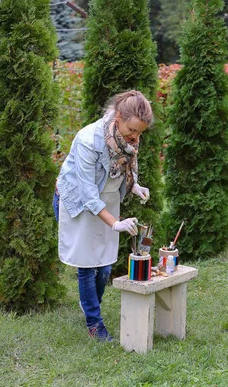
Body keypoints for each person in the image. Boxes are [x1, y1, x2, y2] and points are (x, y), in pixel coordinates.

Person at [53, 90, 153, 341]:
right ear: (118, 117)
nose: (135, 137)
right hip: (77, 202)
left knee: (106, 263)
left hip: (105, 202)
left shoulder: (126, 138)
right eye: (132, 130)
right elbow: (87, 193)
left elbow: (124, 170)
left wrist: (135, 185)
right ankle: (94, 322)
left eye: (140, 132)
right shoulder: (88, 140)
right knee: (88, 265)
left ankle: (89, 304)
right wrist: (116, 223)